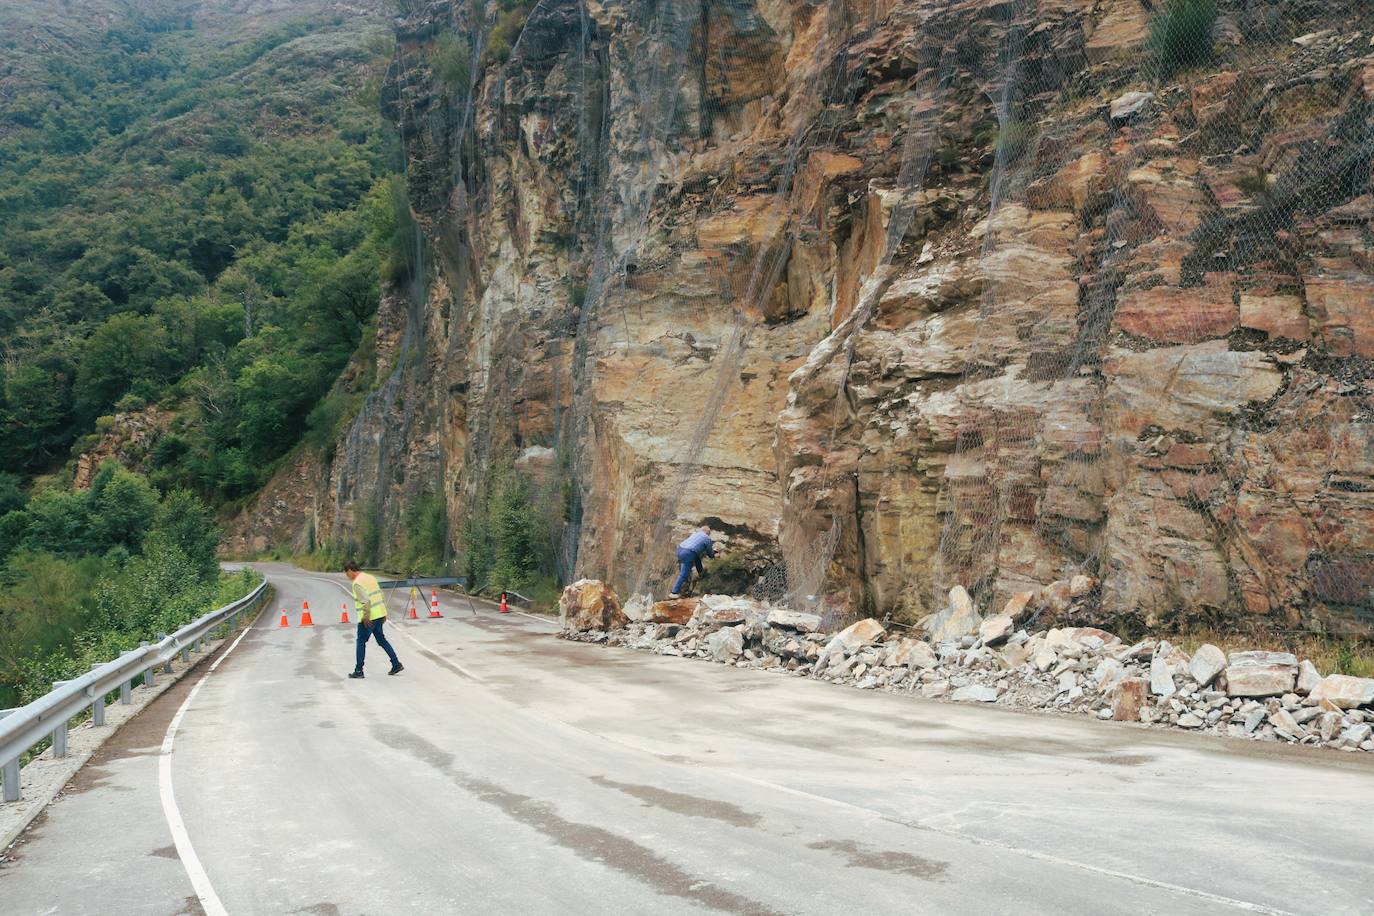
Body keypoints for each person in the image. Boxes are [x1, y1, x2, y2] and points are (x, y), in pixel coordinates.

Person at [345, 561, 403, 678]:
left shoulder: (357, 583)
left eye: (347, 573)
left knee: (361, 642)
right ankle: (396, 663)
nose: (347, 576)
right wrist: (384, 612)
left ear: (350, 570)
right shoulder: (370, 577)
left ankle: (359, 670)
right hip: (379, 615)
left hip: (369, 618)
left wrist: (365, 617)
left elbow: (366, 601)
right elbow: (380, 594)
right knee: (381, 640)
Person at [669, 525, 716, 598]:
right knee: (684, 574)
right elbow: (710, 553)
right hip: (688, 553)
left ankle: (701, 572)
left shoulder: (695, 534)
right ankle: (674, 592)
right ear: (708, 533)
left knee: (696, 557)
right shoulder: (707, 538)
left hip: (680, 549)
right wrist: (714, 555)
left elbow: (695, 546)